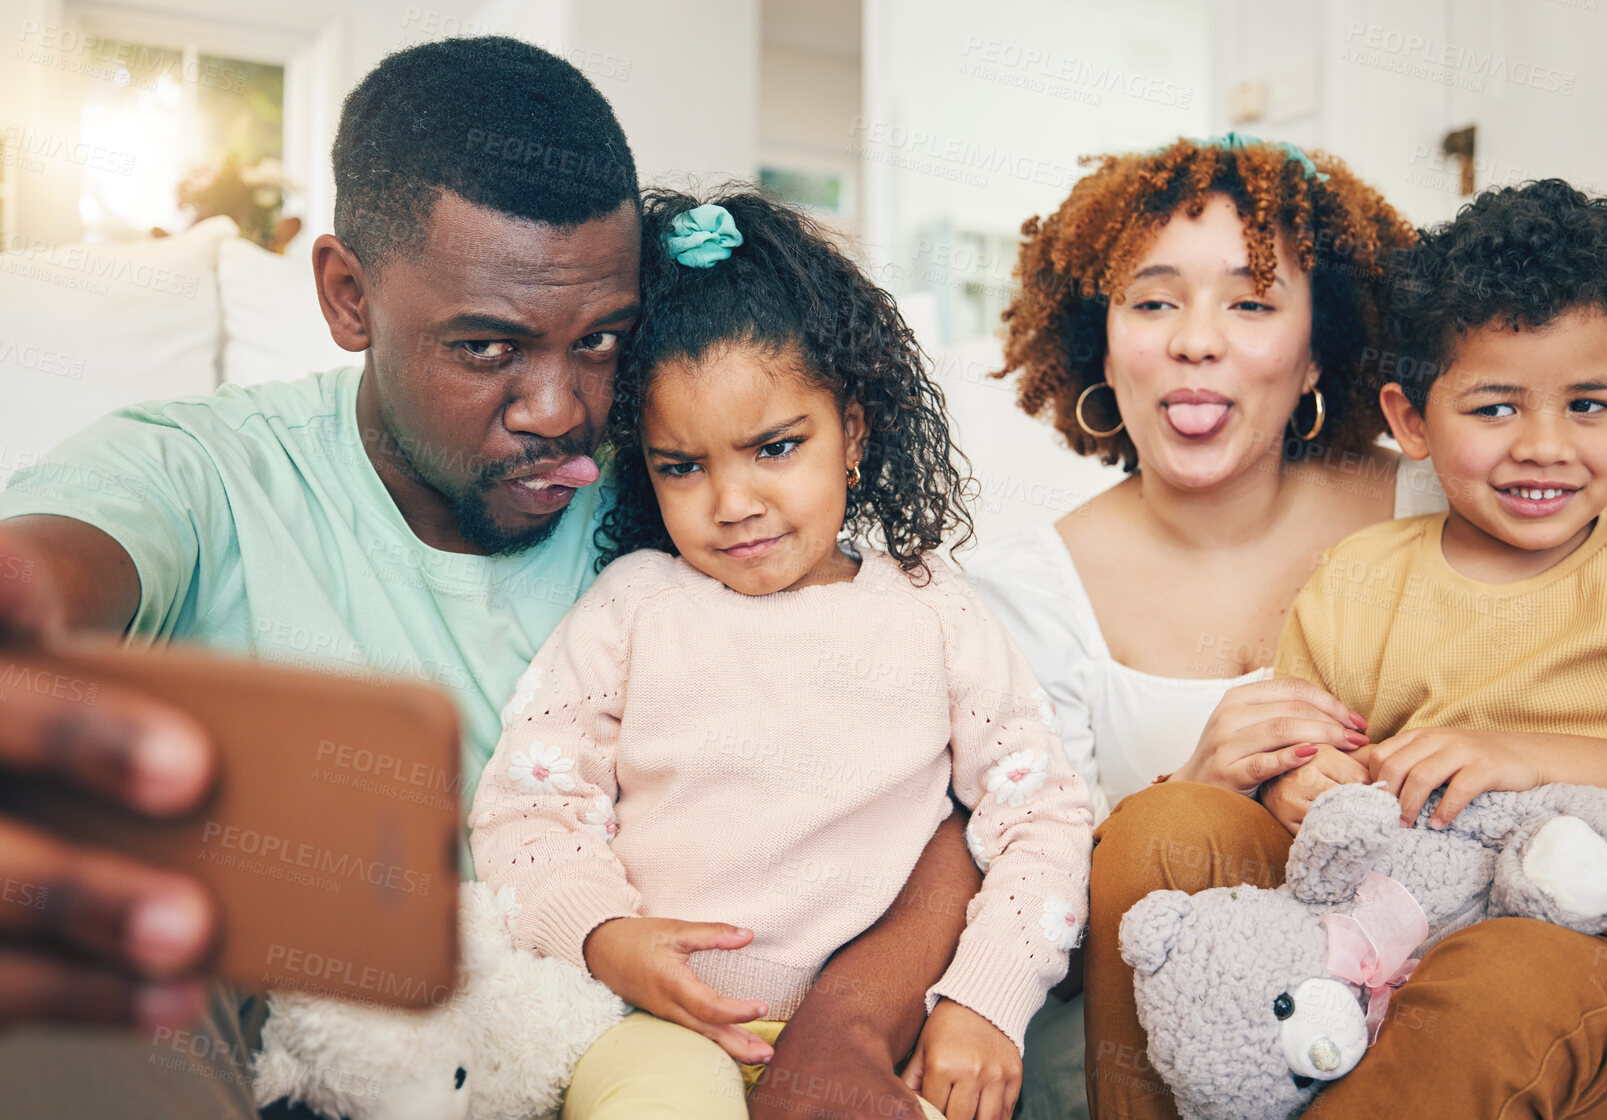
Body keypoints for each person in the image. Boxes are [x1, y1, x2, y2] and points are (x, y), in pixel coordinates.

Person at [0, 38, 979, 1120]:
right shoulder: (196, 473)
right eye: (485, 348)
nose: (559, 409)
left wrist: (841, 1024)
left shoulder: (693, 491)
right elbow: (45, 576)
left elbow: (932, 788)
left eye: (602, 339)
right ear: (347, 297)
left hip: (622, 1052)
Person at [1096, 179, 1607, 1118]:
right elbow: (1301, 772)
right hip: (1361, 942)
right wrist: (1299, 785)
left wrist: (1519, 758)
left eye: (1587, 405)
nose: (1544, 446)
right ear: (1411, 420)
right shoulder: (1357, 575)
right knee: (1160, 829)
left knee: (1493, 974)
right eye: (1494, 408)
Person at [469, 189, 1093, 1120]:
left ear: (855, 431)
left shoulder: (934, 617)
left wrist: (982, 1003)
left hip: (884, 1046)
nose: (732, 501)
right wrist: (603, 936)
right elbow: (525, 812)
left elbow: (1042, 815)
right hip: (654, 1032)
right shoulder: (632, 608)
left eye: (774, 448)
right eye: (682, 465)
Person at [965, 135, 1445, 1117]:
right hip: (1149, 1049)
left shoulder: (1439, 505)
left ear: (1320, 347)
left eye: (1252, 301)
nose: (1197, 339)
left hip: (1420, 1020)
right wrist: (1188, 793)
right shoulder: (1029, 590)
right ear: (1098, 339)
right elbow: (1030, 933)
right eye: (1153, 300)